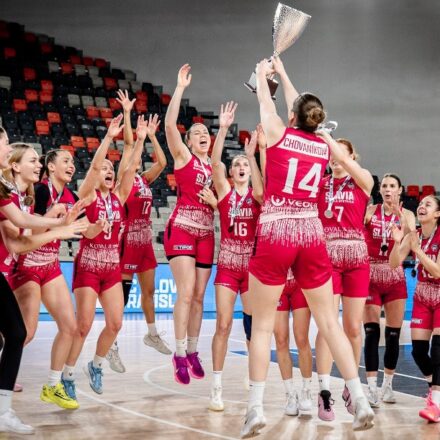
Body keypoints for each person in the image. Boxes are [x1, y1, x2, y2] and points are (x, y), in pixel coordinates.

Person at [240, 57, 373, 438]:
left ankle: (255, 409)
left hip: (277, 230)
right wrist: (282, 73)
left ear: (293, 116)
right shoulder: (322, 145)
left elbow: (267, 102)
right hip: (311, 234)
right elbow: (301, 107)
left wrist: (263, 76)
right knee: (330, 322)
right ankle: (360, 400)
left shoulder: (279, 134)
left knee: (262, 327)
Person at [0, 128, 85, 434]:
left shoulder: (21, 195)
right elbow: (21, 238)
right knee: (19, 333)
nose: (37, 165)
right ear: (15, 164)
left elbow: (24, 228)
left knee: (26, 332)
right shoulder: (24, 192)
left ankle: (44, 388)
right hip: (24, 268)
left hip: (25, 267)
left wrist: (64, 224)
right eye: (4, 143)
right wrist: (58, 226)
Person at [63, 115, 144, 397]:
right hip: (88, 264)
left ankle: (96, 365)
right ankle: (67, 374)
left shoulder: (119, 197)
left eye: (112, 168)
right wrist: (109, 138)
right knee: (83, 325)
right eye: (105, 169)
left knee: (116, 324)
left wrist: (140, 139)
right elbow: (87, 231)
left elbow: (130, 168)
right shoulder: (88, 194)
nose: (108, 171)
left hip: (111, 267)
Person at [110, 90, 170, 374]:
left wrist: (154, 137)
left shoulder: (143, 179)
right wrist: (129, 115)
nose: (135, 160)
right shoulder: (123, 179)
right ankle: (111, 343)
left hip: (144, 240)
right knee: (122, 296)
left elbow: (163, 164)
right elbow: (128, 145)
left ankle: (152, 333)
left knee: (149, 290)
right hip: (127, 240)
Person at [315, 134, 373, 420]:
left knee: (352, 326)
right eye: (332, 154)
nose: (335, 158)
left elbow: (354, 169)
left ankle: (352, 386)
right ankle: (324, 391)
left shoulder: (363, 180)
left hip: (356, 256)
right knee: (328, 324)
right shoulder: (319, 183)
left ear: (352, 157)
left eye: (342, 153)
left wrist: (327, 137)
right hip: (327, 255)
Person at [209, 102, 263, 411]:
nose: (241, 166)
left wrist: (256, 152)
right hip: (228, 266)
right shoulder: (224, 192)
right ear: (231, 173)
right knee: (223, 325)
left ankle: (254, 378)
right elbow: (214, 162)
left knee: (253, 327)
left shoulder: (257, 196)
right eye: (237, 164)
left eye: (245, 164)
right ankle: (216, 388)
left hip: (252, 267)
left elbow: (264, 185)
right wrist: (224, 129)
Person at [164, 65, 215, 385]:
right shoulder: (184, 157)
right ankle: (180, 353)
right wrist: (180, 88)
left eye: (205, 132)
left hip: (207, 233)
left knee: (198, 297)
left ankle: (194, 350)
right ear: (188, 141)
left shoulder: (216, 165)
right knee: (184, 294)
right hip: (182, 227)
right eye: (197, 132)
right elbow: (169, 125)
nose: (202, 135)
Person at [364, 174, 415, 406]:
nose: (387, 189)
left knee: (393, 335)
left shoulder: (407, 215)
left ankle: (388, 385)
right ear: (380, 190)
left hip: (394, 275)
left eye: (392, 186)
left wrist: (399, 217)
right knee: (371, 332)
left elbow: (410, 239)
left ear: (400, 190)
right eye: (384, 186)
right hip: (371, 274)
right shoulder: (370, 211)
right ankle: (371, 388)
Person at [389, 195, 440, 422]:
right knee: (418, 351)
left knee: (438, 349)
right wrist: (398, 242)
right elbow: (393, 263)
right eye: (420, 204)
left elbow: (438, 272)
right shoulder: (414, 236)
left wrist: (417, 251)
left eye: (428, 204)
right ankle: (434, 387)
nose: (422, 206)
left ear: (437, 214)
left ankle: (436, 403)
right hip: (422, 295)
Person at [274, 269, 313, 416]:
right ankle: (290, 394)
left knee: (301, 338)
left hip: (299, 281)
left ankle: (306, 390)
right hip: (277, 281)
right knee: (280, 340)